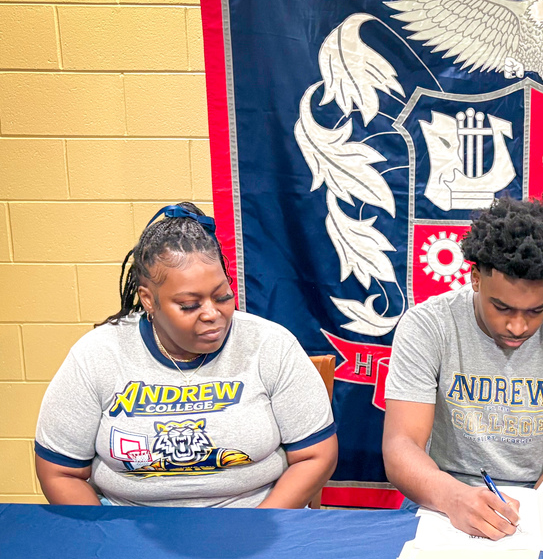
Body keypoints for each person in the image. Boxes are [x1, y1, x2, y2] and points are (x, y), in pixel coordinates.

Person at [35, 203, 338, 508]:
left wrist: (257, 523)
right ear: (148, 299)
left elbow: (316, 455)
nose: (212, 314)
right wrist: (108, 532)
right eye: (190, 305)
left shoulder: (271, 345)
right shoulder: (97, 354)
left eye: (223, 296)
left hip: (254, 519)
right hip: (130, 523)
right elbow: (61, 472)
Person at [382, 197, 543, 539]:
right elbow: (401, 446)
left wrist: (530, 519)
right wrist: (453, 497)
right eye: (502, 308)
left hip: (542, 502)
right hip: (441, 497)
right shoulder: (427, 326)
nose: (518, 327)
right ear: (475, 278)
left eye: (537, 311)